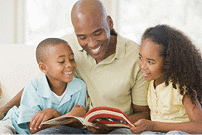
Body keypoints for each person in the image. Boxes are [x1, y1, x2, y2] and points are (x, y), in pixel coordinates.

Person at [0, 0, 150, 134]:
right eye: (82, 37)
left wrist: (110, 126)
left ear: (109, 23)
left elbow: (143, 113)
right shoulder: (65, 47)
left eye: (98, 33)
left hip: (115, 129)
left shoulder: (136, 56)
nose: (91, 44)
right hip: (73, 126)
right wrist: (3, 110)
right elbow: (39, 85)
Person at [0, 38, 87, 134]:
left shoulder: (80, 86)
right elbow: (33, 128)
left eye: (72, 59)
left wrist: (55, 114)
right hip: (15, 124)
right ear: (43, 67)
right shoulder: (34, 87)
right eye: (62, 61)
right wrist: (69, 116)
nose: (69, 65)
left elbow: (78, 124)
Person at [130, 24, 202, 134]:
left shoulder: (181, 87)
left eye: (150, 62)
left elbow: (199, 126)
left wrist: (153, 125)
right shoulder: (150, 82)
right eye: (140, 58)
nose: (143, 66)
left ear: (169, 61)